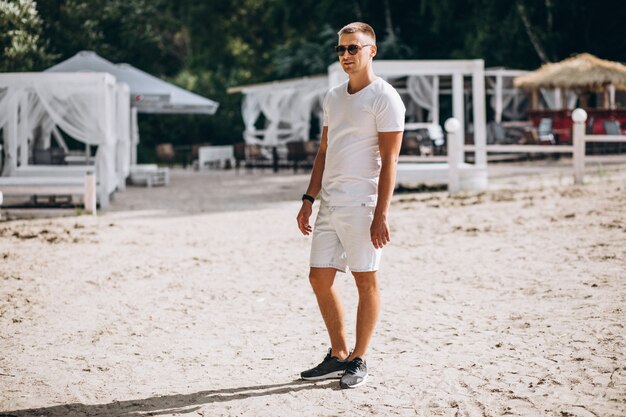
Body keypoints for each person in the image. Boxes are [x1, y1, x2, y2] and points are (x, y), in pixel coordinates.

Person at [296, 22, 405, 389]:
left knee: (365, 281)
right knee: (319, 277)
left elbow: (391, 161)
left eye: (353, 49)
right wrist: (308, 199)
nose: (345, 55)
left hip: (362, 203)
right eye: (341, 49)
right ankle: (338, 353)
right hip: (329, 202)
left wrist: (381, 214)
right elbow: (325, 151)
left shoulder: (384, 98)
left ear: (371, 50)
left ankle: (359, 359)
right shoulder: (332, 97)